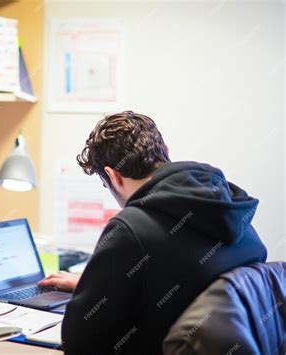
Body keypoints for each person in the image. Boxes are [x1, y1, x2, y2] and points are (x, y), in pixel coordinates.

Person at [38, 111, 267, 355]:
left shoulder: (131, 226)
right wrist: (95, 287)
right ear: (165, 150)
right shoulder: (228, 205)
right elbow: (187, 283)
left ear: (113, 177)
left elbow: (80, 343)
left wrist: (94, 295)